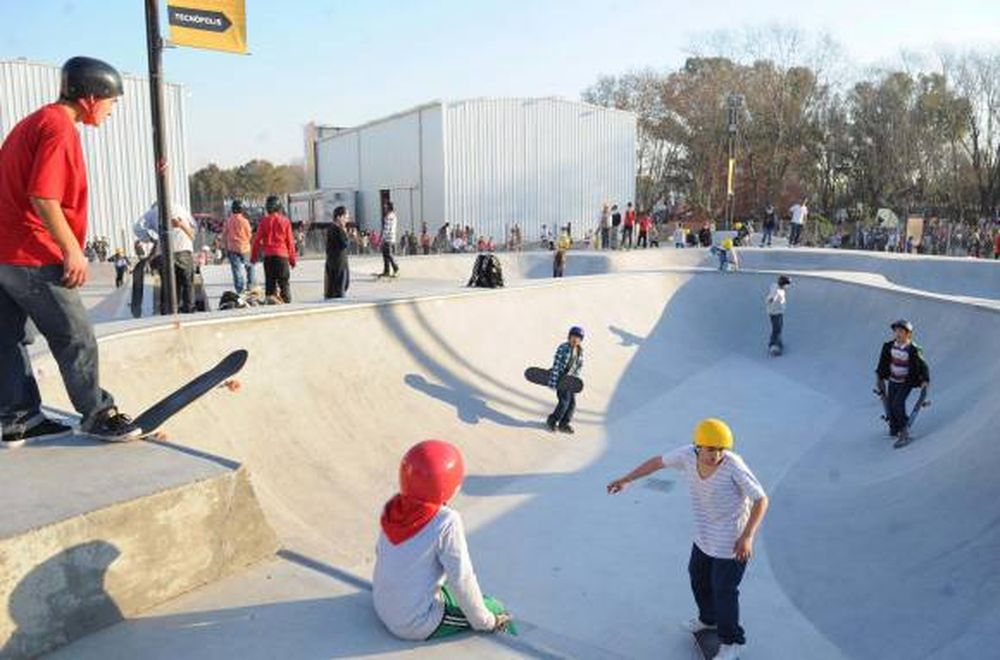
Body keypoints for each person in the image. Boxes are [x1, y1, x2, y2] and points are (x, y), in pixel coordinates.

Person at [0, 56, 141, 446]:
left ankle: (17, 419)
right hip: (32, 252)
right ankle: (98, 413)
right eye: (112, 102)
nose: (112, 111)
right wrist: (71, 250)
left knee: (8, 338)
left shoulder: (33, 122)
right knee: (74, 334)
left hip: (4, 253)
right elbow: (43, 196)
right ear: (92, 98)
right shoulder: (60, 128)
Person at [607, 419, 768, 660]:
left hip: (731, 543)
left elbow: (760, 499)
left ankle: (732, 642)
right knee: (698, 578)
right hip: (704, 537)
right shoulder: (686, 455)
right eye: (710, 448)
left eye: (721, 449)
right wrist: (627, 478)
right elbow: (657, 462)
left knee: (724, 591)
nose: (716, 454)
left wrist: (747, 536)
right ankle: (708, 619)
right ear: (697, 446)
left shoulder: (734, 466)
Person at [373, 440, 512, 641]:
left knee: (450, 591)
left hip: (381, 605)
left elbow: (385, 556)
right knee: (495, 607)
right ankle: (508, 634)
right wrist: (489, 621)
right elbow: (462, 578)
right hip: (414, 622)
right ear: (448, 485)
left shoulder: (394, 508)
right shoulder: (447, 521)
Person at [874, 319, 930, 447]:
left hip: (906, 381)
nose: (898, 334)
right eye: (896, 331)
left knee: (898, 404)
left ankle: (904, 432)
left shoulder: (913, 349)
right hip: (893, 380)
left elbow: (923, 365)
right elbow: (882, 362)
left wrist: (925, 380)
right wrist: (879, 376)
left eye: (901, 332)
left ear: (908, 334)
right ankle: (895, 428)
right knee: (890, 405)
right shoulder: (889, 346)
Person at [251, 195, 297, 303]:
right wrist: (292, 259)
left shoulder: (264, 222)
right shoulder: (285, 221)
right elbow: (290, 242)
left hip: (269, 257)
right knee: (284, 283)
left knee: (270, 285)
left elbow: (256, 241)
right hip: (282, 257)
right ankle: (286, 303)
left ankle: (271, 305)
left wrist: (253, 257)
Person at [546, 326, 584, 433]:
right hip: (561, 379)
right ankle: (552, 420)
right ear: (569, 337)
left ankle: (564, 423)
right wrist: (553, 381)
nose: (575, 339)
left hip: (571, 381)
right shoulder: (563, 348)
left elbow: (579, 367)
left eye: (578, 338)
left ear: (581, 340)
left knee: (572, 404)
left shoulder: (580, 351)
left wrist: (575, 383)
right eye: (573, 337)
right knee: (564, 402)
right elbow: (557, 364)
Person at [222, 199, 254, 294]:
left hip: (232, 248)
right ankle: (250, 285)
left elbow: (224, 234)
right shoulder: (245, 221)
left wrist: (225, 246)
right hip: (245, 248)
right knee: (250, 267)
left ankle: (240, 289)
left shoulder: (228, 221)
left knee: (236, 270)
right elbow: (249, 235)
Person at [324, 206, 351, 299]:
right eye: (346, 217)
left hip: (333, 264)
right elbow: (344, 243)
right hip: (339, 265)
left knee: (333, 291)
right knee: (339, 292)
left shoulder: (331, 229)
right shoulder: (337, 229)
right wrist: (345, 231)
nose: (347, 220)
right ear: (339, 217)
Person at [765, 276, 791, 352]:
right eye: (787, 285)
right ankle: (774, 345)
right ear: (783, 284)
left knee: (778, 328)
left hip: (778, 312)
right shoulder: (777, 290)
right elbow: (773, 296)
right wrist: (771, 299)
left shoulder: (778, 288)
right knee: (777, 329)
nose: (787, 287)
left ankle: (777, 343)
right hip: (775, 312)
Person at [380, 202, 400, 277]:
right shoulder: (393, 215)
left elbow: (387, 228)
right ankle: (386, 271)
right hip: (391, 237)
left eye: (385, 207)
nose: (384, 209)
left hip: (388, 238)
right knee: (385, 254)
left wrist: (382, 238)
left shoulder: (389, 216)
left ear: (389, 207)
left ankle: (396, 268)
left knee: (388, 254)